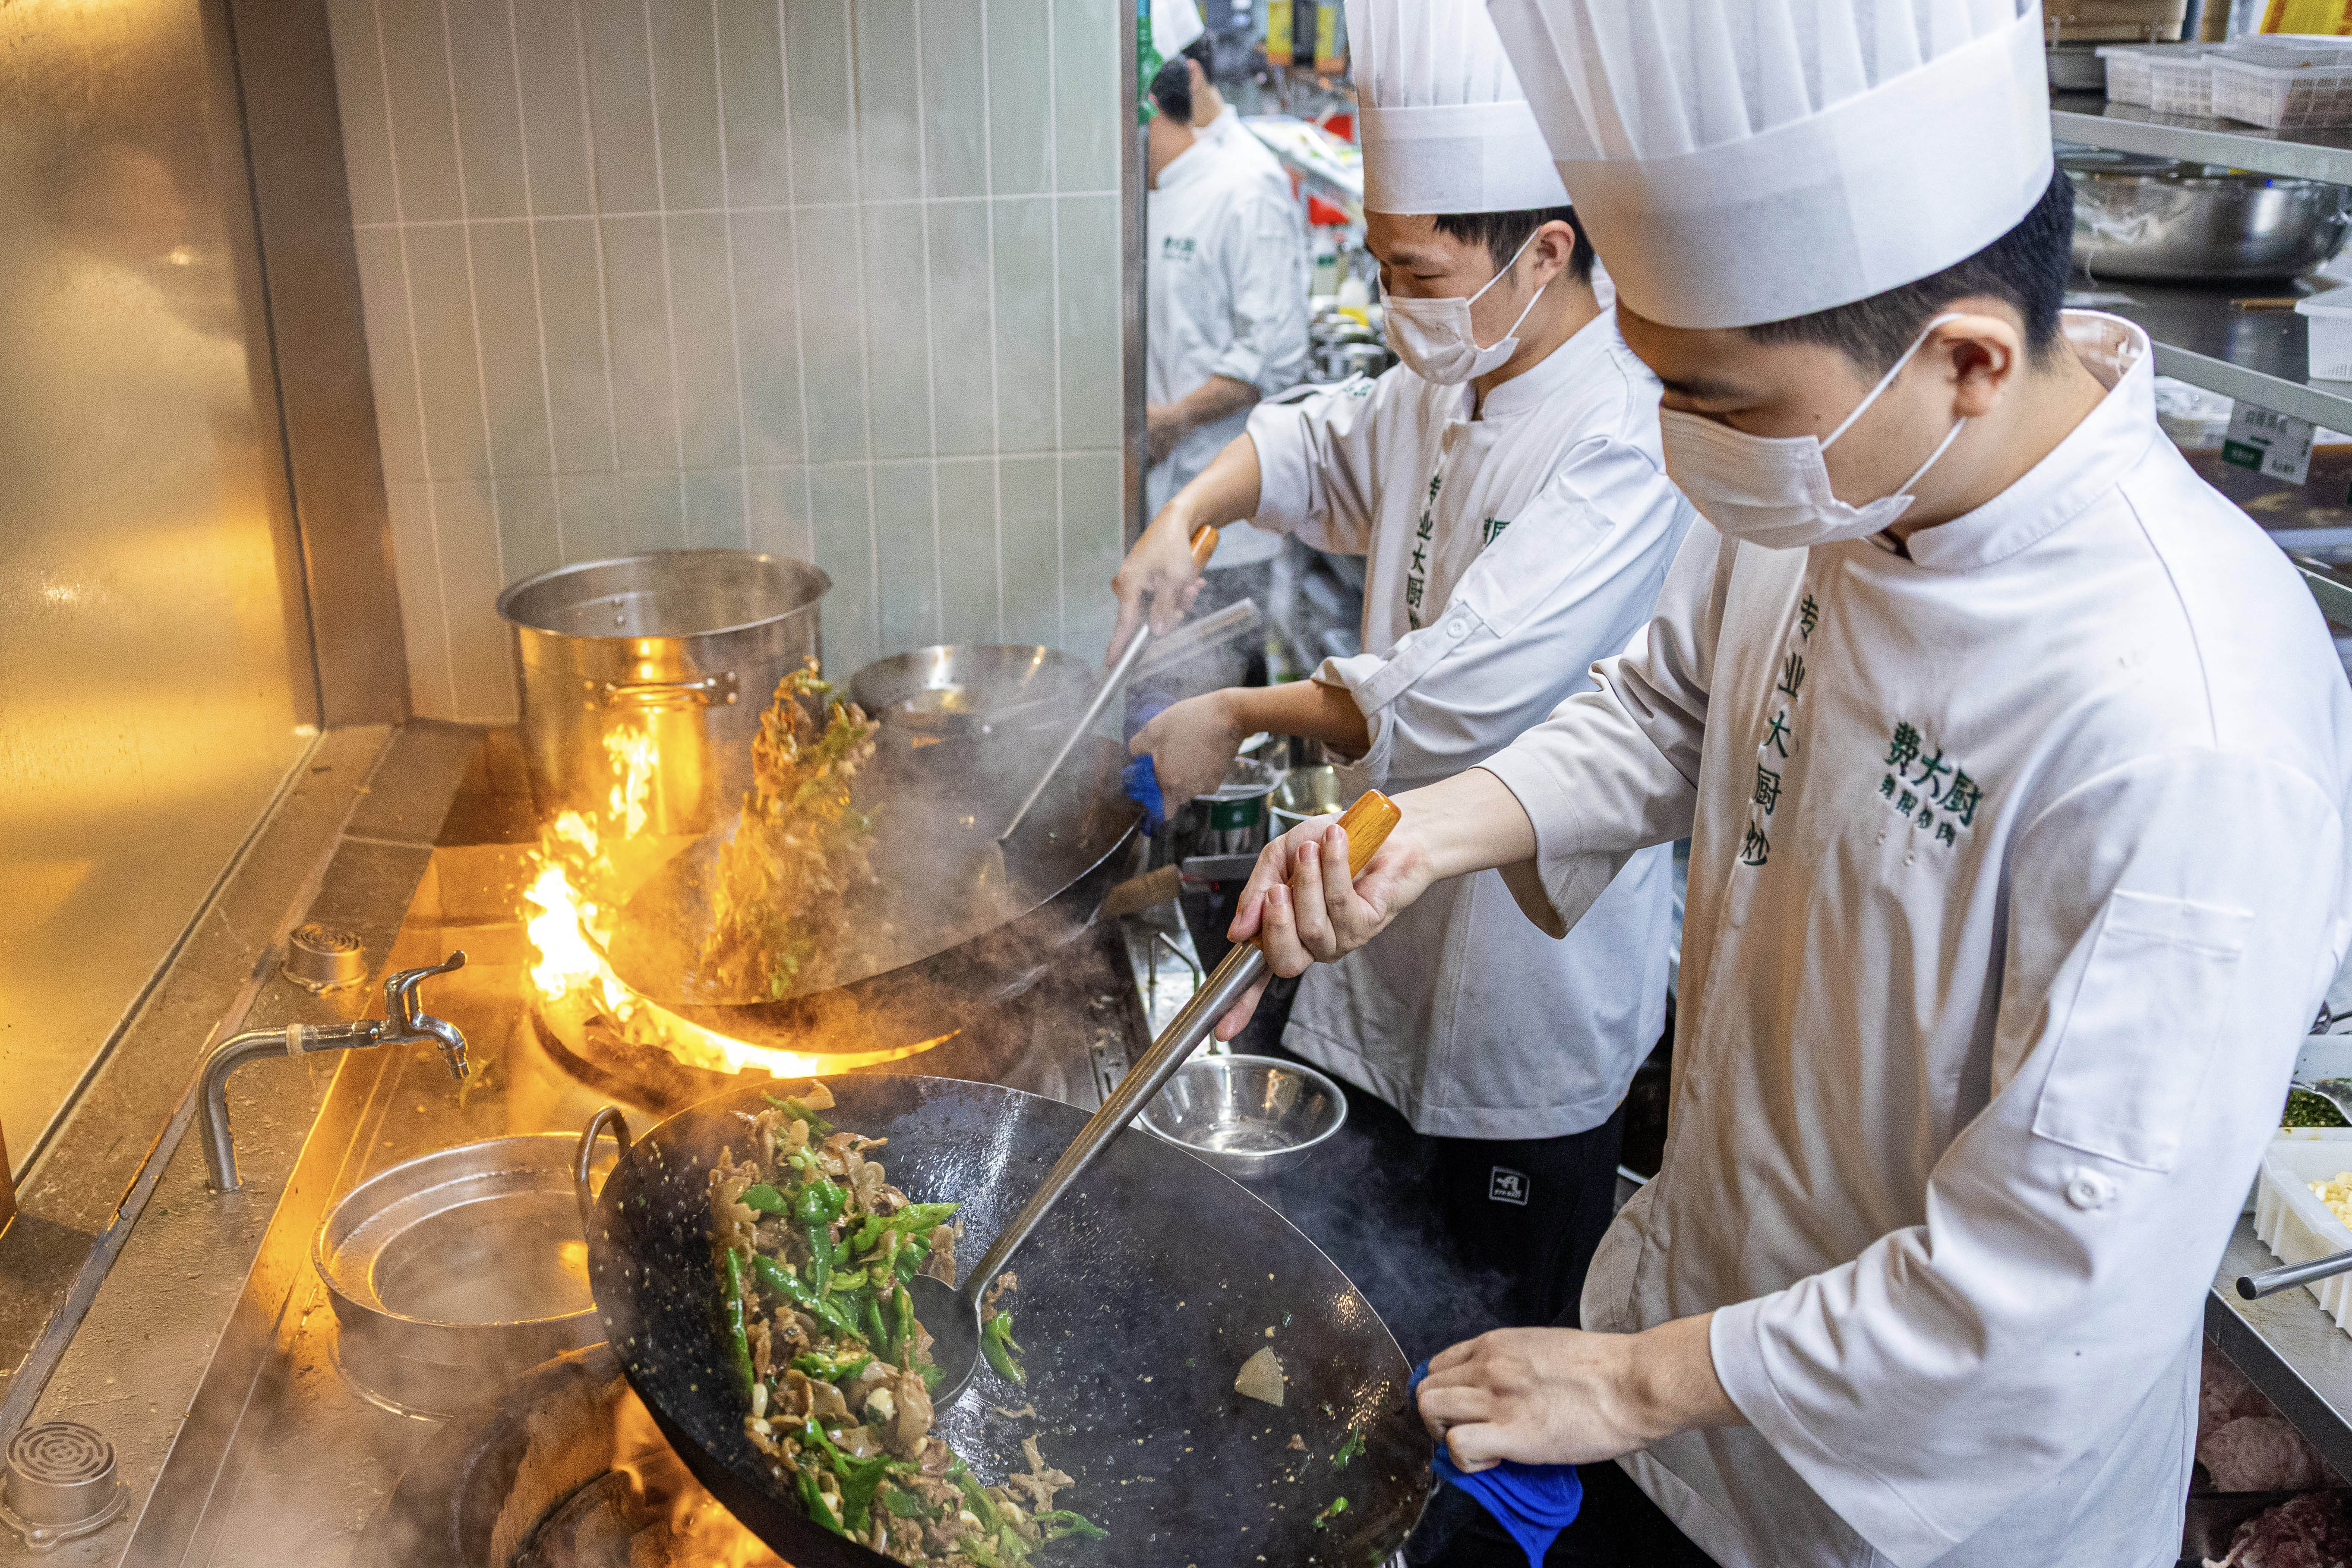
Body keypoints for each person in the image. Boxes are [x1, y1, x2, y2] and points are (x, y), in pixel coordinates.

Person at [1218, 2, 2352, 1565]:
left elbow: (2049, 1288)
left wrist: (1632, 1379)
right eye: (1663, 385)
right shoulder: (1844, 486)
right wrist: (1419, 834)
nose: (1678, 444)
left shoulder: (2191, 715)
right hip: (1694, 1384)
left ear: (1963, 358)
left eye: (1721, 401)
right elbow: (1669, 707)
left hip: (1913, 1514)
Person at [1111, 0, 1691, 1357]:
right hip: (1369, 955)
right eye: (1379, 265)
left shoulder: (1624, 436)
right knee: (1338, 1343)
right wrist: (1185, 510)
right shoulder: (1452, 373)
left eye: (1416, 269)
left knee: (1476, 1378)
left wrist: (1234, 712)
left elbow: (1459, 691)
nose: (1394, 300)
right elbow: (1316, 444)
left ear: (1545, 253)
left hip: (1521, 1017)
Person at [1143, 55, 1309, 637]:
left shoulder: (1244, 187)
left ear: (1149, 107)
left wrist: (1173, 418)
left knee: (1215, 700)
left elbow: (1275, 354)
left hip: (1226, 531)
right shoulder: (1148, 193)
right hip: (1157, 510)